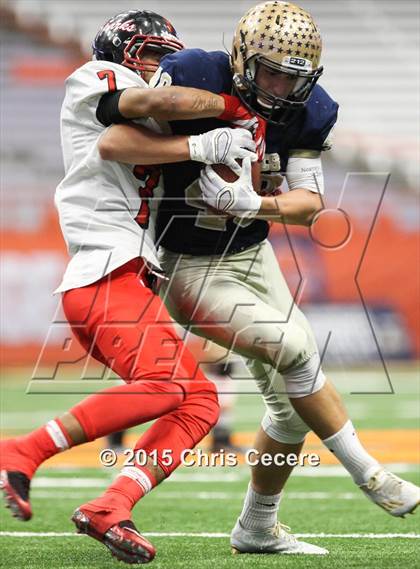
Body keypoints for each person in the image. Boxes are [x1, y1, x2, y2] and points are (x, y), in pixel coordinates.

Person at [142, 0, 418, 555]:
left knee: (291, 406)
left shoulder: (309, 110)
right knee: (295, 348)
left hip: (250, 252)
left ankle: (256, 527)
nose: (282, 86)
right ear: (244, 56)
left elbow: (309, 203)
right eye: (273, 71)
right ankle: (369, 473)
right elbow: (118, 146)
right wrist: (196, 146)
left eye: (295, 77)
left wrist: (249, 202)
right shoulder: (195, 76)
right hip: (187, 262)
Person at [0, 9, 261, 564]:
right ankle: (22, 449)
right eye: (153, 55)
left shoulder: (157, 125)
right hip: (103, 271)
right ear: (120, 52)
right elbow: (127, 130)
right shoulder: (96, 78)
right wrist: (232, 111)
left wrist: (231, 164)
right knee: (168, 387)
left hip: (130, 276)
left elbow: (179, 158)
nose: (163, 68)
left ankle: (112, 505)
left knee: (199, 403)